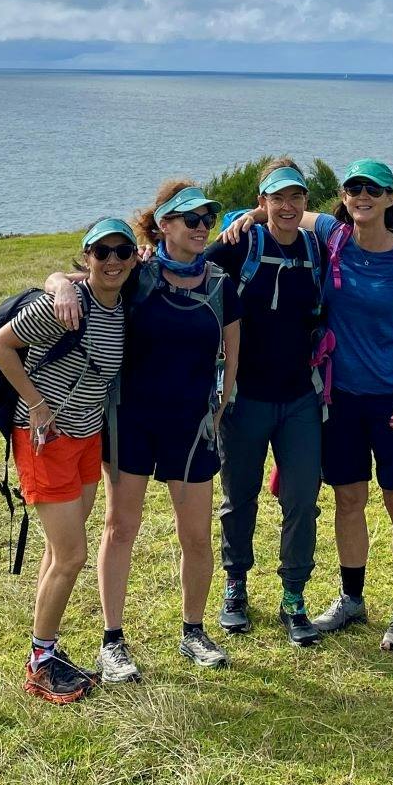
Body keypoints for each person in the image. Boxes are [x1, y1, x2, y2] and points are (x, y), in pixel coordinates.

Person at [50, 182, 242, 682]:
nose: (201, 226)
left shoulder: (220, 283)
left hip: (191, 427)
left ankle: (194, 631)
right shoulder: (136, 273)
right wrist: (59, 283)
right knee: (120, 528)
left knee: (196, 536)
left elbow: (231, 349)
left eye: (207, 217)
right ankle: (112, 642)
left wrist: (222, 405)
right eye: (188, 218)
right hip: (131, 420)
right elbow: (80, 277)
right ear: (163, 226)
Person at [0, 219, 135, 702]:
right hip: (44, 439)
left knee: (57, 551)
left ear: (133, 257)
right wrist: (35, 402)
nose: (112, 261)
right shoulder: (64, 307)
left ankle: (45, 650)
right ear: (86, 256)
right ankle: (39, 663)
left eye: (122, 252)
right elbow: (0, 346)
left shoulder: (121, 304)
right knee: (72, 555)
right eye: (101, 252)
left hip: (87, 438)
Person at [306, 160, 393, 652]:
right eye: (353, 187)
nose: (361, 195)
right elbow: (284, 212)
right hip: (339, 397)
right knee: (348, 499)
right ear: (343, 196)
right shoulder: (332, 238)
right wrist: (248, 218)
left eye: (372, 189)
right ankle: (352, 598)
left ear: (389, 198)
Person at [203, 159, 328, 647]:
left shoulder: (317, 249)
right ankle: (235, 585)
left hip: (300, 397)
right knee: (239, 498)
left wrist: (254, 216)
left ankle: (294, 595)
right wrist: (248, 221)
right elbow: (192, 263)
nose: (288, 207)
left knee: (301, 500)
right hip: (246, 396)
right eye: (277, 198)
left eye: (296, 197)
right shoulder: (242, 246)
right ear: (263, 201)